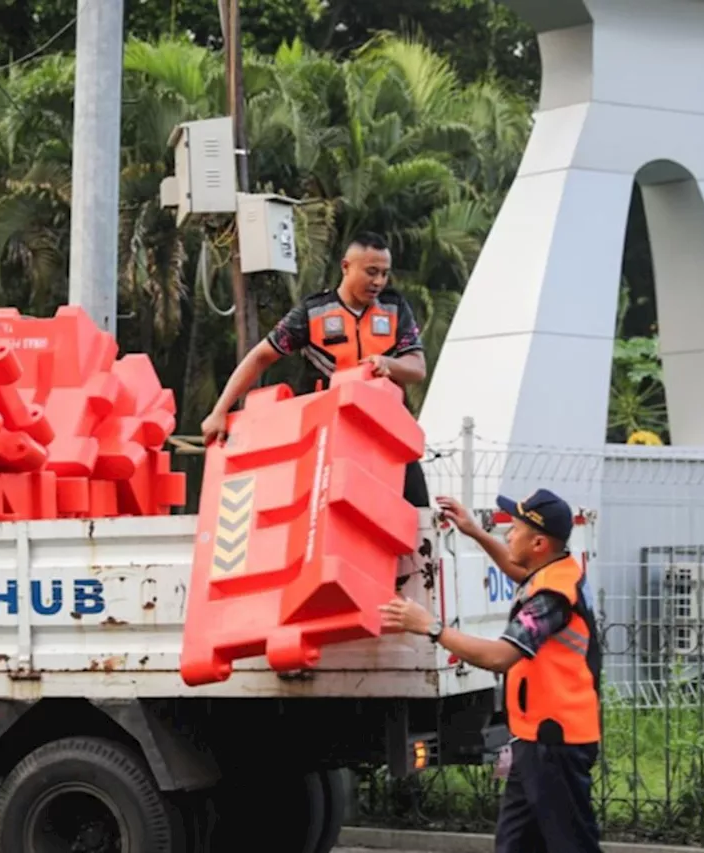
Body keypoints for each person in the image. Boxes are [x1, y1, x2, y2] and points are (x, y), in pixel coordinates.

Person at [379, 489, 603, 853]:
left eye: (513, 529)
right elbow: (518, 569)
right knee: (513, 845)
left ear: (539, 543)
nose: (508, 535)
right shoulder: (552, 571)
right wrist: (474, 532)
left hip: (555, 743)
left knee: (571, 844)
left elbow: (500, 656)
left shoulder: (552, 598)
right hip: (534, 739)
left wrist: (432, 628)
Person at [199, 231, 431, 507]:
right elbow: (260, 357)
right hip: (330, 437)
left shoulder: (394, 308)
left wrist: (388, 364)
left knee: (419, 514)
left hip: (388, 433)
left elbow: (417, 368)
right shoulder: (313, 312)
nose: (379, 281)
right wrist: (219, 411)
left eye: (384, 273)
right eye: (371, 272)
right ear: (346, 267)